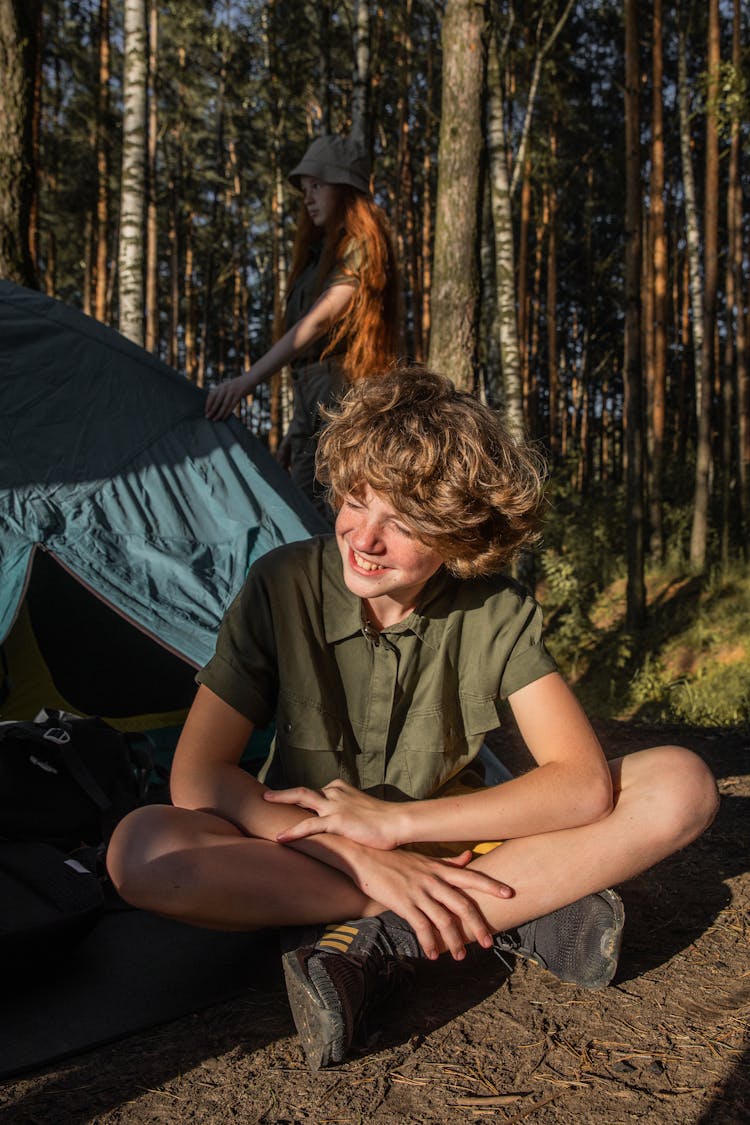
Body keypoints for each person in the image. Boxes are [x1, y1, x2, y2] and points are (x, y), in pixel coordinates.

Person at [108, 367, 719, 1072]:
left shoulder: (494, 610)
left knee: (681, 782)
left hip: (458, 844)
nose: (364, 537)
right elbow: (197, 775)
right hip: (311, 852)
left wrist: (397, 827)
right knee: (140, 847)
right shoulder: (281, 584)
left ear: (459, 534)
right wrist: (368, 859)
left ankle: (384, 935)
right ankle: (503, 909)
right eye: (356, 499)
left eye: (401, 522)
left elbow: (582, 784)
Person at [204, 133, 400, 515]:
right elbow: (307, 362)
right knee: (302, 512)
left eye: (317, 186)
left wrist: (247, 381)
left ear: (345, 189)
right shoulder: (315, 257)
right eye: (305, 189)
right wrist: (296, 430)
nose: (308, 197)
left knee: (333, 514)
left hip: (344, 399)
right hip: (314, 400)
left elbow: (321, 320)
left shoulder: (362, 246)